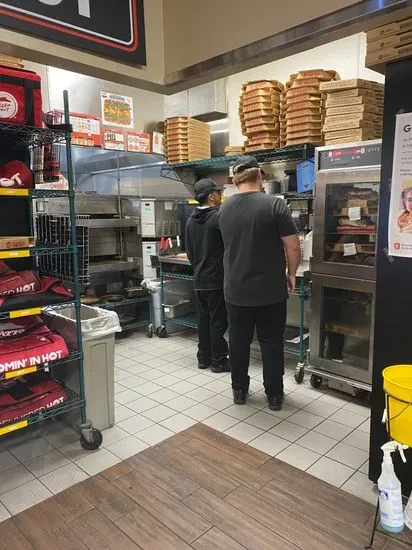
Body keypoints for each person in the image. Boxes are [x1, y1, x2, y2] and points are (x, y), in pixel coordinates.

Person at [219, 156, 301, 411]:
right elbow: (293, 246)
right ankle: (274, 395)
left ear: (235, 180)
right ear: (260, 176)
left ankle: (239, 390)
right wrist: (291, 273)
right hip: (270, 291)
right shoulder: (275, 205)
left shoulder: (224, 208)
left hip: (236, 290)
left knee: (238, 342)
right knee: (271, 343)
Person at [185, 178, 230, 373]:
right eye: (219, 193)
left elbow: (190, 252)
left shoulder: (190, 220)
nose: (220, 196)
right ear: (211, 196)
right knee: (218, 321)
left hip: (199, 279)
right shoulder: (218, 218)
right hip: (217, 280)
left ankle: (203, 358)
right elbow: (229, 247)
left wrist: (199, 267)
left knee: (203, 320)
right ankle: (218, 360)